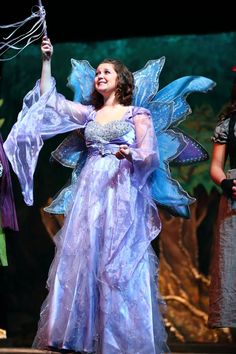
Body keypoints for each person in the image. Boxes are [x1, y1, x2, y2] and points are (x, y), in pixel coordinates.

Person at [4, 36, 171, 354]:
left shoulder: (137, 114)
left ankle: (119, 338)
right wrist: (46, 60)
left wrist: (131, 154)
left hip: (121, 191)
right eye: (97, 72)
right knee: (85, 256)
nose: (100, 75)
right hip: (91, 191)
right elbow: (48, 100)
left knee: (116, 259)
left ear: (121, 80)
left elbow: (150, 155)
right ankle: (78, 335)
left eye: (107, 71)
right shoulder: (89, 114)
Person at [208, 78, 236, 329]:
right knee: (232, 263)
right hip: (234, 198)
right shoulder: (229, 125)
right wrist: (226, 182)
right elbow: (216, 166)